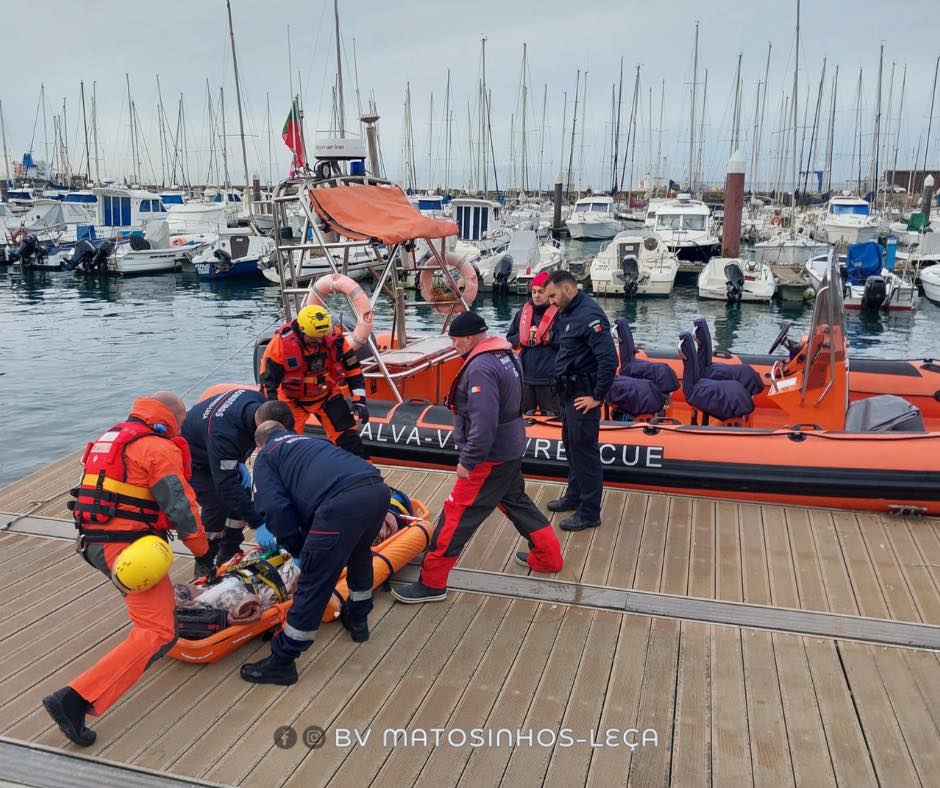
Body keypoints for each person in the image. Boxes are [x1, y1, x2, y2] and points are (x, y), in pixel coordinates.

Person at [44, 392, 211, 747]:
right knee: (159, 631)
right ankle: (73, 699)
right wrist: (203, 552)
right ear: (173, 417)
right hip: (126, 550)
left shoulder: (113, 437)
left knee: (155, 622)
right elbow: (181, 508)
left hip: (92, 542)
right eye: (182, 421)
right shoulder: (158, 448)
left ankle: (86, 692)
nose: (182, 428)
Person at [391, 311, 563, 603]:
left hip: (489, 457)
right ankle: (549, 556)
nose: (453, 345)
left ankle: (432, 583)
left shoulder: (481, 367)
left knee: (455, 516)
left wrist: (468, 460)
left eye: (455, 340)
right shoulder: (506, 355)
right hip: (511, 447)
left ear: (470, 338)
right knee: (515, 501)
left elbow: (483, 423)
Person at [240, 421, 391, 685]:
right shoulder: (312, 442)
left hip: (341, 504)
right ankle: (358, 619)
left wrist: (298, 548)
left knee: (314, 580)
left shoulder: (267, 456)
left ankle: (283, 660)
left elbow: (274, 508)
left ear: (258, 445)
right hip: (376, 490)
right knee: (360, 555)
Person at [181, 388, 296, 566]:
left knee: (243, 494)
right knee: (216, 504)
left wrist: (239, 461)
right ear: (260, 426)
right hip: (193, 459)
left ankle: (229, 550)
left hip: (218, 448)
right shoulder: (224, 435)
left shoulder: (261, 404)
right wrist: (258, 524)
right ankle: (205, 560)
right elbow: (226, 485)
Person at [543, 270, 618, 532]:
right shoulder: (567, 312)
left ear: (567, 289)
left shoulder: (589, 315)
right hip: (568, 393)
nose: (550, 301)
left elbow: (608, 359)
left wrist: (597, 396)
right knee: (572, 448)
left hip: (583, 396)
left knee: (585, 453)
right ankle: (574, 496)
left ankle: (589, 512)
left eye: (553, 295)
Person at [258, 304, 370, 458]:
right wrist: (272, 413)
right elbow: (268, 383)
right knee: (285, 447)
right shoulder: (281, 345)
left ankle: (361, 470)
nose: (318, 341)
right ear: (302, 330)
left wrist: (359, 400)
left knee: (350, 440)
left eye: (322, 336)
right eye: (314, 337)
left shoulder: (335, 340)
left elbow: (353, 370)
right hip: (292, 401)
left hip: (327, 395)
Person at [505, 270, 560, 415]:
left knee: (552, 417)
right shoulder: (521, 314)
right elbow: (510, 339)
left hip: (550, 379)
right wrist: (524, 337)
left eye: (541, 291)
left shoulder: (560, 315)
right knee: (524, 416)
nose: (537, 295)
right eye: (534, 291)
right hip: (526, 377)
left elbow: (569, 342)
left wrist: (548, 337)